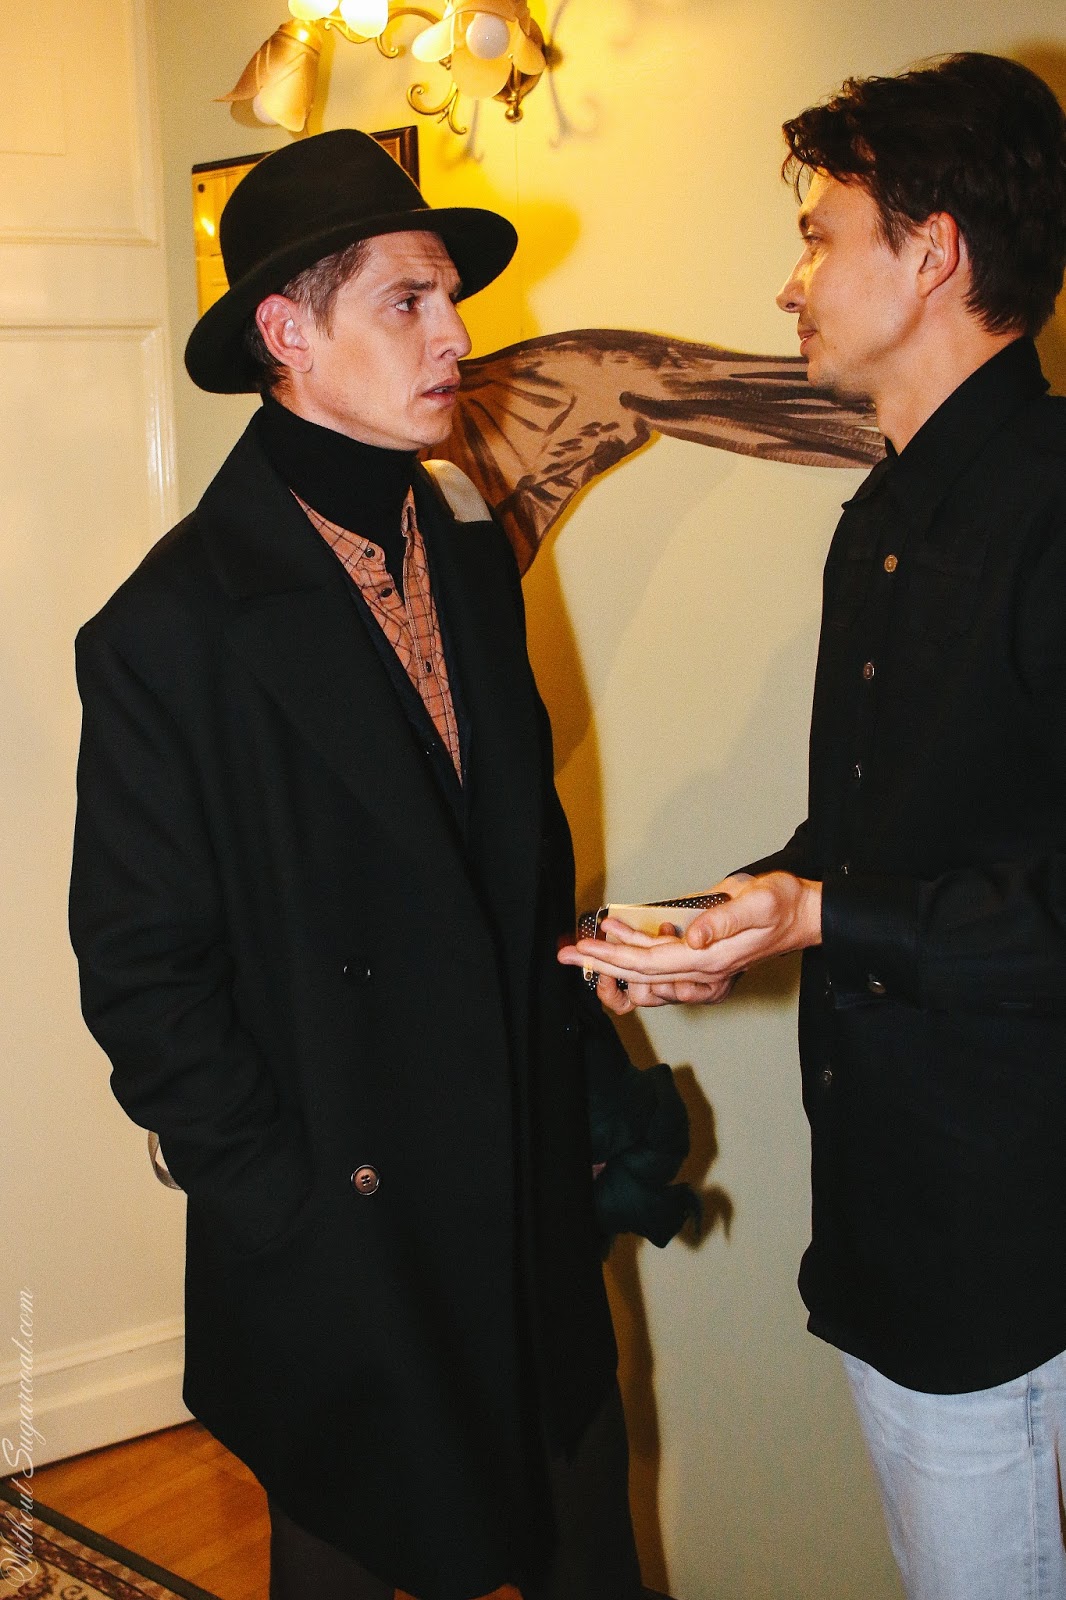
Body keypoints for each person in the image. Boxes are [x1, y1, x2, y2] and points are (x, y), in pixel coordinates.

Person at [68, 129, 670, 1600]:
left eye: (447, 298)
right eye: (408, 301)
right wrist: (284, 1203)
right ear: (287, 333)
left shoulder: (461, 552)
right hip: (345, 1232)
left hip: (522, 1205)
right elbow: (142, 974)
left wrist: (588, 1075)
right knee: (356, 1557)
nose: (455, 335)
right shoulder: (166, 630)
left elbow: (511, 871)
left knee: (587, 1548)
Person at [561, 52, 1066, 1600]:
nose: (790, 283)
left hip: (1011, 1246)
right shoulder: (883, 519)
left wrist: (821, 916)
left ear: (931, 256)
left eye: (817, 236)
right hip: (891, 1213)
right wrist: (740, 910)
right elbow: (881, 833)